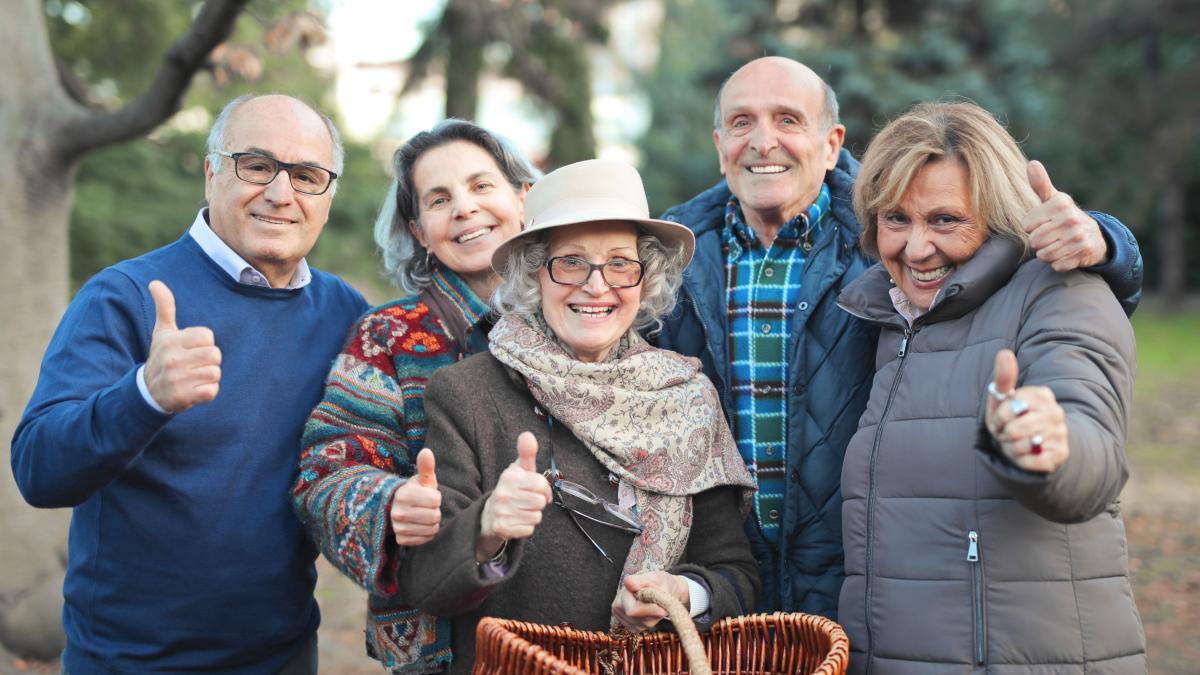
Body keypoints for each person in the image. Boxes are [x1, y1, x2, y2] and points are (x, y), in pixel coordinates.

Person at [654, 55, 1145, 618]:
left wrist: (1108, 242)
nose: (764, 141)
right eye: (742, 122)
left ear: (832, 141)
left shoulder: (882, 234)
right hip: (718, 594)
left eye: (788, 120)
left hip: (864, 590)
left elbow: (1017, 260)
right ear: (720, 144)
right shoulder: (670, 260)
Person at [9, 95, 368, 673]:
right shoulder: (125, 296)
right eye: (256, 165)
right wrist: (144, 395)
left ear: (328, 196)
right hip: (131, 662)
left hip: (284, 656)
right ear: (211, 172)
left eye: (306, 175)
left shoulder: (344, 312)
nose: (281, 193)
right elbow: (38, 469)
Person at [395, 159, 759, 673]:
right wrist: (486, 528)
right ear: (533, 275)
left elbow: (736, 574)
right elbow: (426, 585)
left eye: (619, 263)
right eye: (570, 262)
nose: (596, 285)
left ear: (644, 277)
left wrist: (685, 590)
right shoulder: (466, 393)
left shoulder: (688, 398)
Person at [836, 100, 1144, 672]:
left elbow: (1090, 456)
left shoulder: (1060, 294)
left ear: (1000, 214)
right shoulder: (883, 317)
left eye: (946, 220)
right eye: (896, 219)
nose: (917, 248)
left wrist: (1047, 449)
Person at [292, 119, 537, 673]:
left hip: (574, 627)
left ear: (522, 197)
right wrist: (388, 501)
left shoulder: (580, 308)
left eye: (481, 186)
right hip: (443, 640)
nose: (465, 209)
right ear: (420, 230)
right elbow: (326, 473)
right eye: (439, 199)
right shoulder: (388, 336)